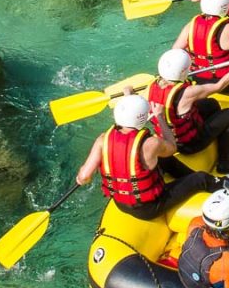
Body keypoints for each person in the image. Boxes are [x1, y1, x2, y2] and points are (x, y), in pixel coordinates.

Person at [75, 93, 217, 220]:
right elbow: (172, 147)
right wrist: (160, 117)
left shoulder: (102, 140)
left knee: (162, 158)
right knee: (200, 178)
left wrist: (80, 178)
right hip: (149, 208)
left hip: (121, 204)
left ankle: (186, 177)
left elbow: (84, 176)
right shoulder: (151, 143)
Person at [148, 47, 229, 176]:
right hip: (188, 144)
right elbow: (219, 85)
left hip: (168, 138)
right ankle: (224, 162)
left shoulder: (153, 85)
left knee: (211, 104)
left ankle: (224, 141)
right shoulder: (188, 92)